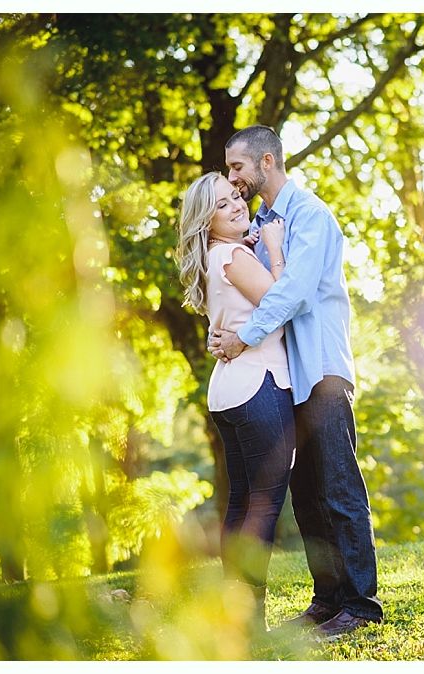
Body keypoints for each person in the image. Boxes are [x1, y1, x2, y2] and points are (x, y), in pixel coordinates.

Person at [208, 125, 383, 639]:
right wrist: (227, 332)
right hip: (289, 377)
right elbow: (252, 290)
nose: (233, 178)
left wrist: (244, 339)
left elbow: (296, 292)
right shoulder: (260, 224)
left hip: (322, 369)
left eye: (237, 167)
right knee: (307, 495)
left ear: (266, 161)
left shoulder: (309, 215)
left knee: (339, 488)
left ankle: (360, 604)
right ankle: (327, 600)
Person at [177, 171, 294, 638]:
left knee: (241, 502)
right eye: (222, 205)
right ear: (207, 221)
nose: (237, 205)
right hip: (257, 384)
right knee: (263, 505)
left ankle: (236, 616)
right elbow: (280, 304)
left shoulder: (215, 256)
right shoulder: (231, 254)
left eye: (235, 198)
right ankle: (251, 622)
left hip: (229, 390)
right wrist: (276, 248)